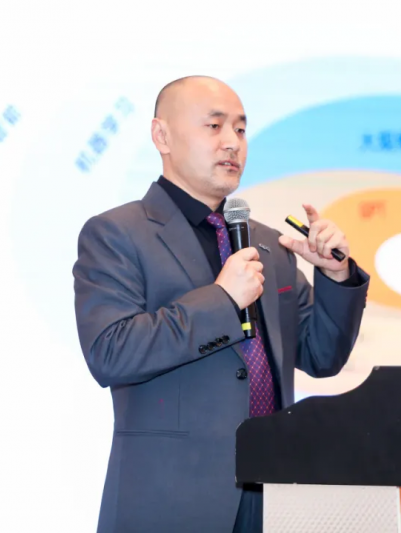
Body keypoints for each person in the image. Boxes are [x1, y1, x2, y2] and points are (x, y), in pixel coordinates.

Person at [72, 75, 369, 532]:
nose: (232, 142)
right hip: (170, 503)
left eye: (241, 129)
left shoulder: (268, 245)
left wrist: (336, 275)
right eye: (214, 126)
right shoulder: (118, 234)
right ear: (162, 136)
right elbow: (110, 353)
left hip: (271, 497)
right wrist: (223, 301)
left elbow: (322, 356)